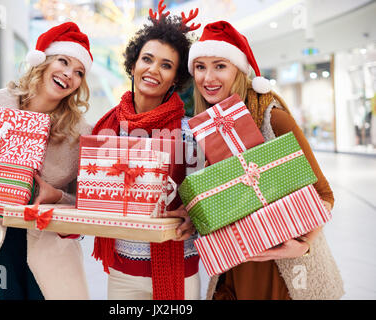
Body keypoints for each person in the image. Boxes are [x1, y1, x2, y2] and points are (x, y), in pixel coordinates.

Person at [188, 21, 344, 300]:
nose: (208, 77)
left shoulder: (273, 118)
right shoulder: (205, 129)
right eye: (200, 67)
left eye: (220, 65)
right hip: (234, 263)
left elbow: (324, 194)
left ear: (239, 70)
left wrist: (303, 245)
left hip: (280, 270)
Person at [0, 22, 93, 300]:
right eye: (63, 61)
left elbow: (84, 201)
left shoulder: (81, 132)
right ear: (42, 62)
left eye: (79, 72)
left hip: (49, 248)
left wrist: (56, 197)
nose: (69, 74)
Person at [91, 1, 201, 300]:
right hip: (123, 269)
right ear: (133, 64)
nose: (153, 70)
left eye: (166, 65)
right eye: (147, 59)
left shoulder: (192, 133)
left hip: (180, 265)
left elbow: (211, 194)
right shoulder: (106, 129)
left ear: (176, 79)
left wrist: (198, 215)